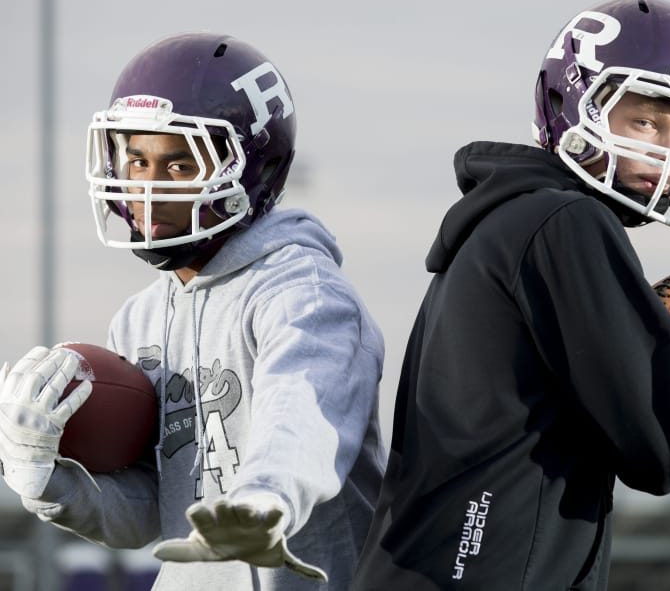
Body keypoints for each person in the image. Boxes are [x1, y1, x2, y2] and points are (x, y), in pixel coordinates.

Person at [350, 0, 670, 590]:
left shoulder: (511, 221)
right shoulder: (566, 223)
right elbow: (664, 448)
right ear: (570, 104)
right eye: (646, 122)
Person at [0, 33, 386, 590]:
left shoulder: (304, 293)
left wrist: (264, 499)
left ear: (251, 170)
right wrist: (50, 481)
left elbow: (303, 418)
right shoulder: (140, 318)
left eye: (179, 166)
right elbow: (153, 510)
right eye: (136, 159)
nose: (147, 187)